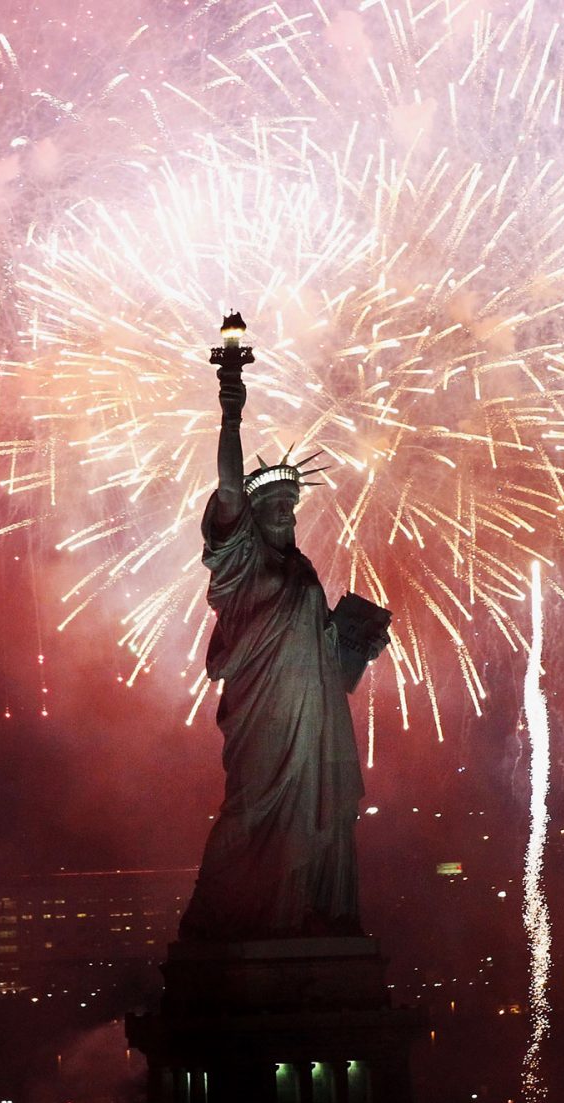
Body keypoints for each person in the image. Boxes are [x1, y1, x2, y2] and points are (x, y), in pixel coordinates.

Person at [178, 361, 390, 941]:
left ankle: (302, 913)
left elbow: (326, 661)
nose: (285, 512)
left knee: (314, 812)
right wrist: (231, 411)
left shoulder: (302, 570)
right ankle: (216, 919)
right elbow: (229, 487)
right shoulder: (243, 562)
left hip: (314, 715)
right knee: (250, 808)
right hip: (264, 711)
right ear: (249, 518)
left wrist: (357, 645)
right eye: (273, 504)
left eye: (290, 506)